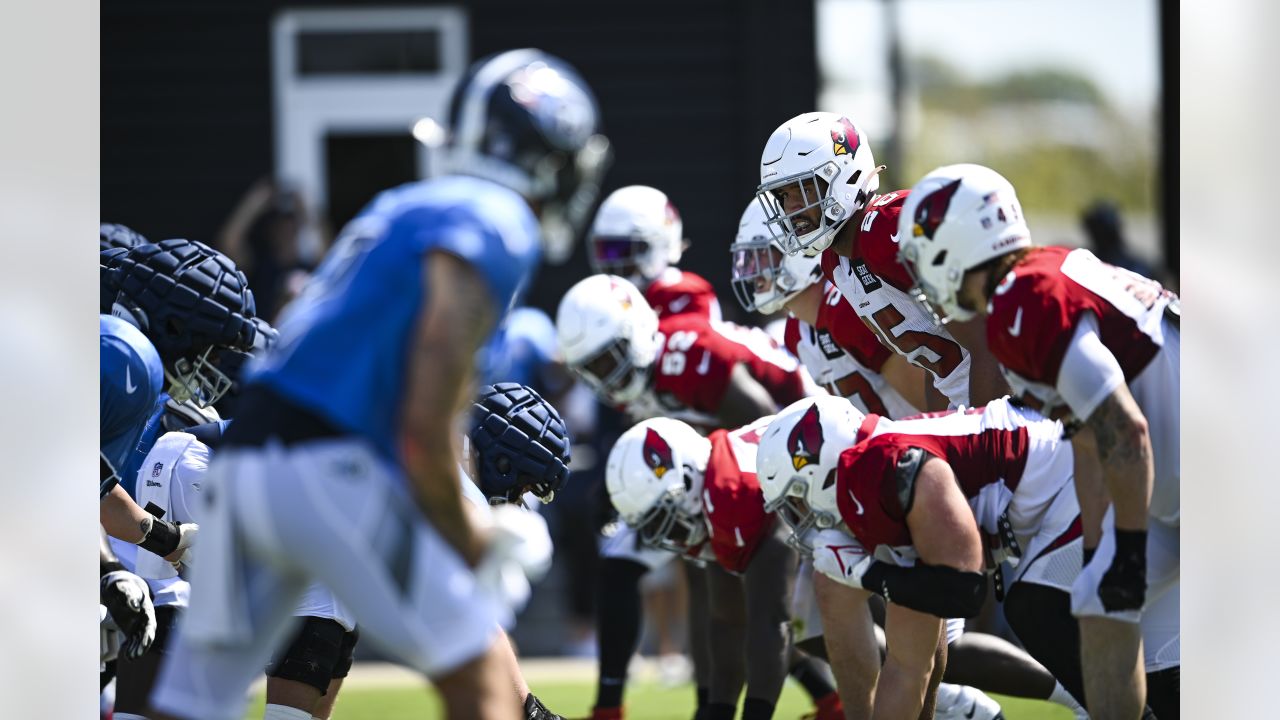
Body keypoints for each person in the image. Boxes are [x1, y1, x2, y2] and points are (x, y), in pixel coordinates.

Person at [148, 48, 610, 720]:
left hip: (248, 457)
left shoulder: (403, 206)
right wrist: (473, 537)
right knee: (485, 684)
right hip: (331, 464)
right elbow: (429, 412)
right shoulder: (496, 220)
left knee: (190, 706)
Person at [897, 163, 1179, 719]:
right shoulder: (1039, 280)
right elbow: (1087, 438)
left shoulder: (1025, 298)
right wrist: (1102, 550)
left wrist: (1120, 550)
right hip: (1189, 486)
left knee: (1099, 608)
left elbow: (1123, 427)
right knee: (1113, 623)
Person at [557, 275, 839, 720]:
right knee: (729, 595)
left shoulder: (687, 357)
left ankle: (835, 700)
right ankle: (725, 704)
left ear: (633, 338)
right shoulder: (649, 369)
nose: (604, 379)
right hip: (735, 469)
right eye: (591, 368)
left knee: (778, 607)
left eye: (607, 360)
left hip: (808, 450)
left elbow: (775, 433)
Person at [760, 396, 1093, 719]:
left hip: (1076, 472)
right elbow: (908, 668)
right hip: (1053, 499)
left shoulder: (887, 465)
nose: (802, 520)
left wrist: (865, 573)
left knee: (1037, 610)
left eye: (798, 502)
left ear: (822, 472)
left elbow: (964, 591)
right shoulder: (877, 494)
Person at [753, 112, 1009, 411]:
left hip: (1017, 392)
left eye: (804, 189)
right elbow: (939, 366)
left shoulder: (888, 230)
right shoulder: (837, 263)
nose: (791, 207)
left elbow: (988, 339)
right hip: (968, 397)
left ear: (844, 174)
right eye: (783, 195)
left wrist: (984, 437)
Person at [606, 416, 829, 720]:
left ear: (687, 480)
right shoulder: (709, 498)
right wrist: (717, 711)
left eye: (662, 519)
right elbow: (728, 622)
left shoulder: (735, 493)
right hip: (810, 512)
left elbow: (771, 623)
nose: (667, 535)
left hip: (854, 495)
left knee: (820, 622)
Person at [588, 185, 721, 321]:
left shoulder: (681, 297)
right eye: (606, 250)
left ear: (661, 244)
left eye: (624, 250)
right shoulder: (596, 299)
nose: (613, 261)